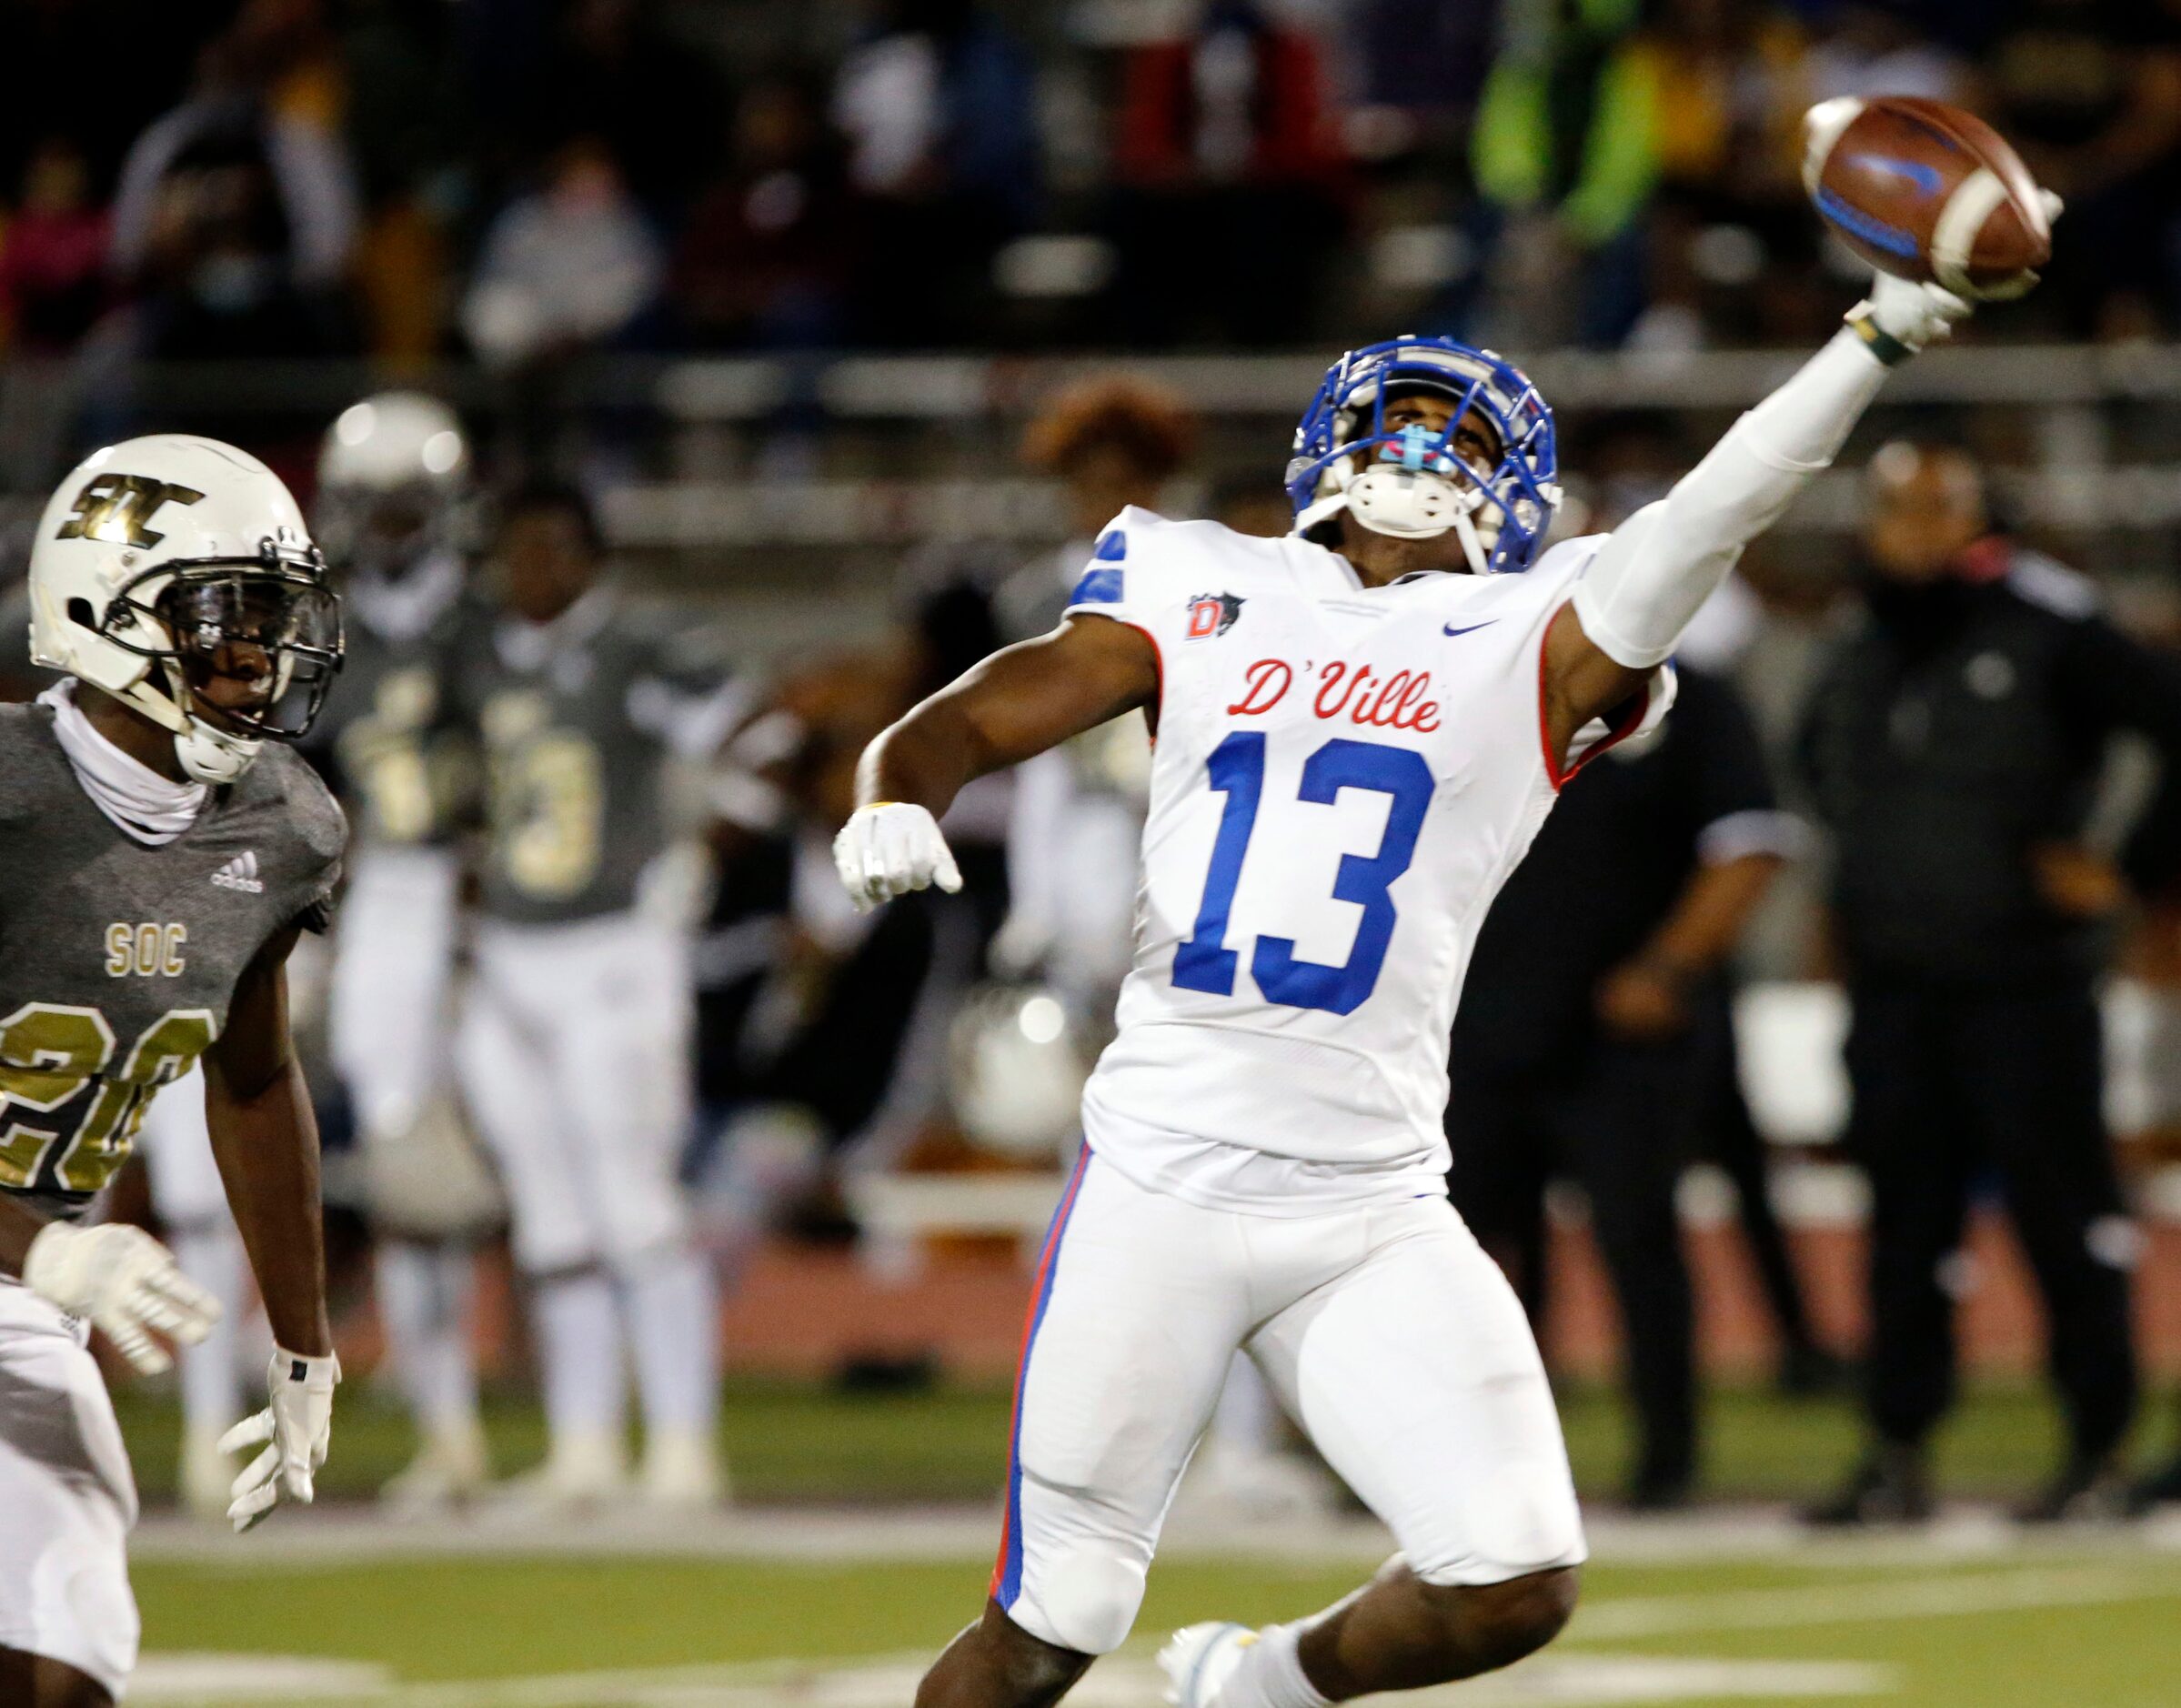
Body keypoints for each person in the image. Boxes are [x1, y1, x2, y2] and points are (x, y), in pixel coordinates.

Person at [834, 253, 1992, 1704]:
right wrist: (897, 785)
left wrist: (1872, 337)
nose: (1424, 458)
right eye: (1399, 424)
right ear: (1326, 445)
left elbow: (1716, 507)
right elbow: (985, 704)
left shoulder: (1541, 636)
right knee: (1047, 1622)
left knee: (1510, 1580)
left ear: (1524, 501)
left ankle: (1254, 1687)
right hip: (1160, 1174)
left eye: (1465, 438)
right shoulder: (1205, 577)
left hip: (1368, 1197)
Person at [0, 433, 347, 1705]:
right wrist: (39, 1246)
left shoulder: (281, 824)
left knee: (67, 1656)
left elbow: (253, 1079)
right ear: (103, 606)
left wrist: (304, 1345)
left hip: (21, 1295)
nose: (261, 658)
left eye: (274, 620)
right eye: (223, 618)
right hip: (30, 1262)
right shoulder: (9, 799)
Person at [1799, 440, 2181, 1525]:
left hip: (2025, 988)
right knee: (1902, 1231)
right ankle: (1895, 1452)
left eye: (1936, 508)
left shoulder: (2050, 622)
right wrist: (1870, 880)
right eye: (1894, 510)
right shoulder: (1860, 631)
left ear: (1978, 515)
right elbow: (1814, 761)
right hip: (1896, 988)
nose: (1913, 531)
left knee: (2066, 1222)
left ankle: (2097, 1448)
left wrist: (2121, 870)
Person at [1449, 661, 1801, 1508]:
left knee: (1637, 1242)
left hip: (1624, 1032)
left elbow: (1750, 843)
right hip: (1478, 1018)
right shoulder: (1472, 677)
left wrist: (1669, 967)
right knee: (1453, 1255)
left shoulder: (1691, 696)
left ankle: (1666, 1459)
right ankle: (1461, 1466)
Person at [453, 480, 739, 1512]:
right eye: (518, 549)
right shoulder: (475, 654)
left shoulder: (642, 647)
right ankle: (583, 1447)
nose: (534, 569)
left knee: (634, 1203)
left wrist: (693, 845)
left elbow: (742, 734)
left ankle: (681, 1443)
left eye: (554, 548)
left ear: (591, 559)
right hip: (507, 953)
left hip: (615, 947)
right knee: (550, 1219)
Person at [310, 392, 498, 1511]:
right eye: (374, 503)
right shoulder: (317, 629)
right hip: (382, 895)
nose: (389, 524)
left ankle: (621, 1441)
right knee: (405, 1160)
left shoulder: (488, 619)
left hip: (508, 907)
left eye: (407, 503)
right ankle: (449, 1423)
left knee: (558, 1167)